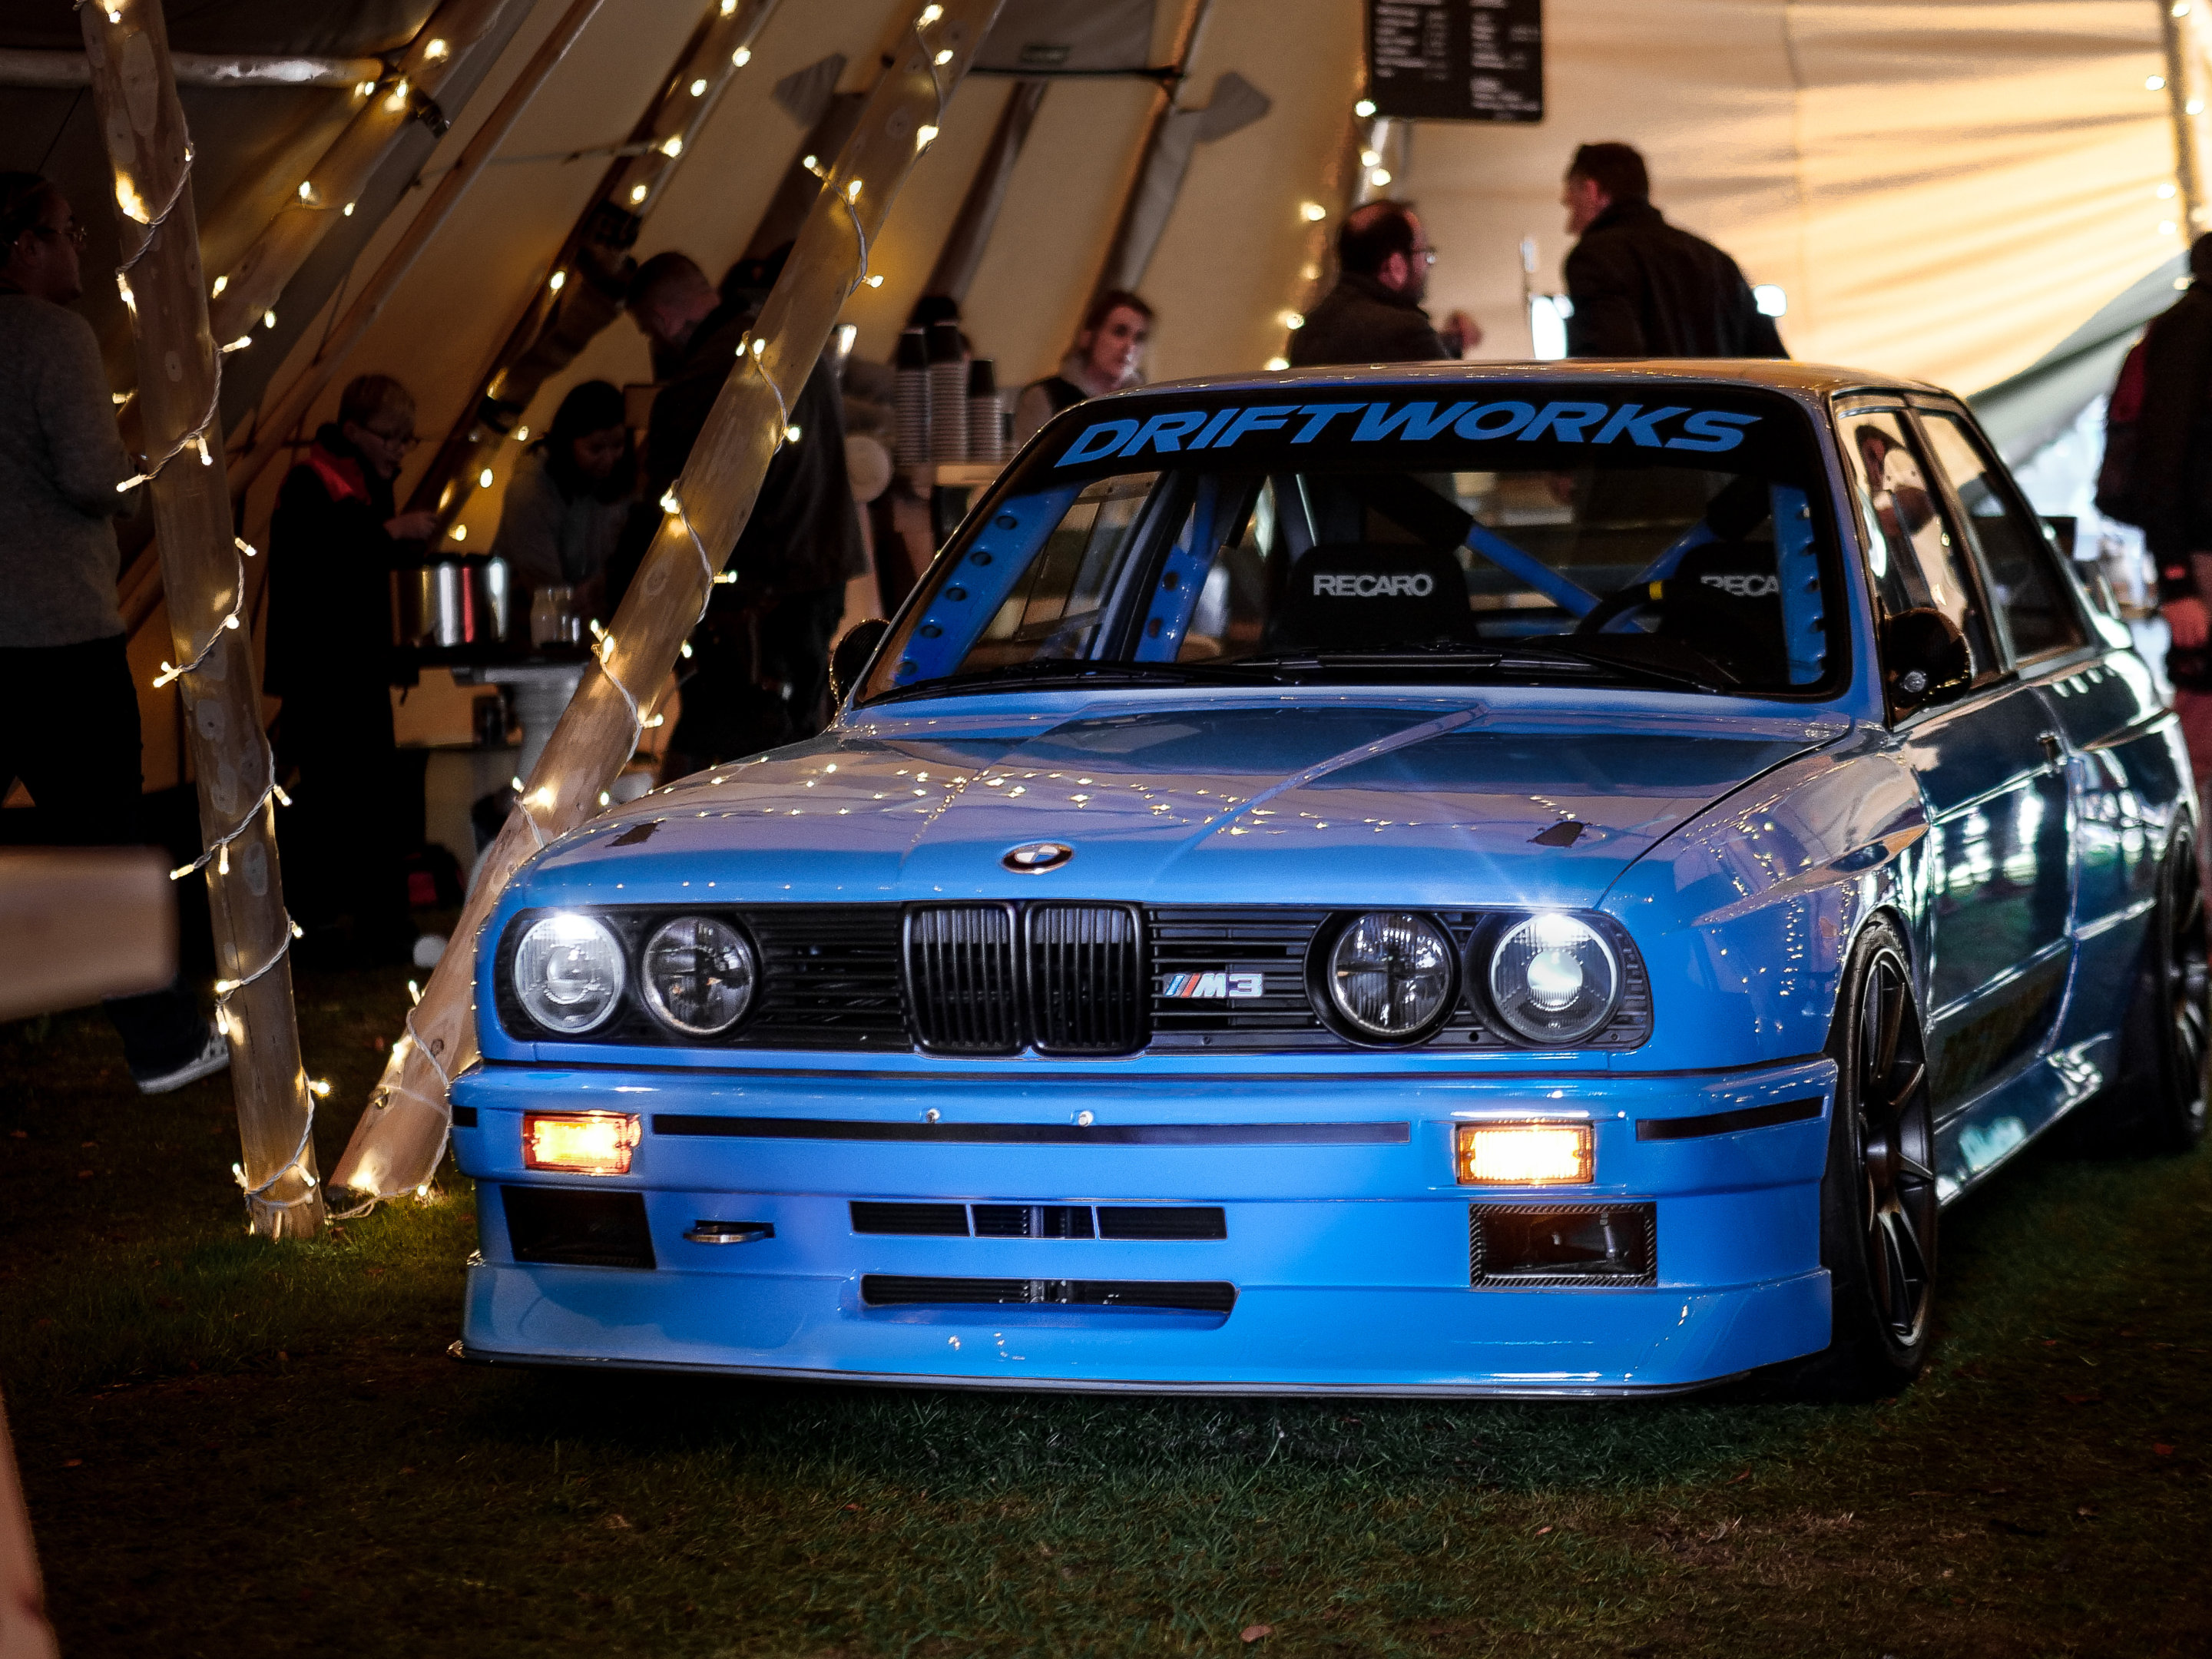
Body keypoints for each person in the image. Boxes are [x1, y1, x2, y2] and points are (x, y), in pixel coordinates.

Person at [0, 172, 225, 1093]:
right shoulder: (55, 337)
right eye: (67, 230)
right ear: (23, 246)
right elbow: (90, 476)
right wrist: (144, 466)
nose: (79, 245)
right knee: (104, 843)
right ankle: (164, 1043)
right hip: (58, 635)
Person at [624, 250, 865, 774]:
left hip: (759, 598)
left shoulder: (703, 380)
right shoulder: (793, 339)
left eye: (648, 332)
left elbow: (670, 510)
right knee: (801, 730)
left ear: (663, 321)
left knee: (746, 752)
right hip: (819, 570)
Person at [266, 373, 439, 965]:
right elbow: (318, 570)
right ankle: (315, 925)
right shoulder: (310, 482)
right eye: (391, 437)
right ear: (353, 430)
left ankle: (377, 924)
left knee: (372, 798)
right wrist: (390, 532)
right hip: (320, 673)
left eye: (406, 440)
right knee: (326, 802)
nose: (399, 450)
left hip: (360, 668)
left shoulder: (367, 484)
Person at [1561, 141, 1786, 359]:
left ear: (1592, 191)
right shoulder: (1716, 260)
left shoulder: (1593, 257)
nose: (1569, 224)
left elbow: (1610, 364)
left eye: (1570, 202)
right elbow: (1772, 361)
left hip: (1648, 389)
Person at [2132, 231, 2212, 780]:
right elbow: (2157, 459)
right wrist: (2177, 580)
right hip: (2203, 559)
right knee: (2202, 736)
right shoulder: (2197, 322)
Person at [488, 378, 634, 626]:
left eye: (618, 446)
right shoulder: (531, 490)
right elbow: (546, 590)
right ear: (569, 442)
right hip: (525, 623)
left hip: (589, 620)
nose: (609, 459)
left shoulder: (616, 481)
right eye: (596, 449)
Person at [1286, 201, 1479, 369]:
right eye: (1423, 252)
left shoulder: (1308, 331)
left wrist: (1452, 342)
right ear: (1395, 265)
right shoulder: (1406, 332)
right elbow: (1451, 397)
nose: (1427, 264)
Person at [1012, 290, 1155, 444]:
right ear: (1088, 337)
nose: (1129, 347)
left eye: (1139, 338)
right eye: (1119, 332)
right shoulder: (1044, 397)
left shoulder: (1149, 403)